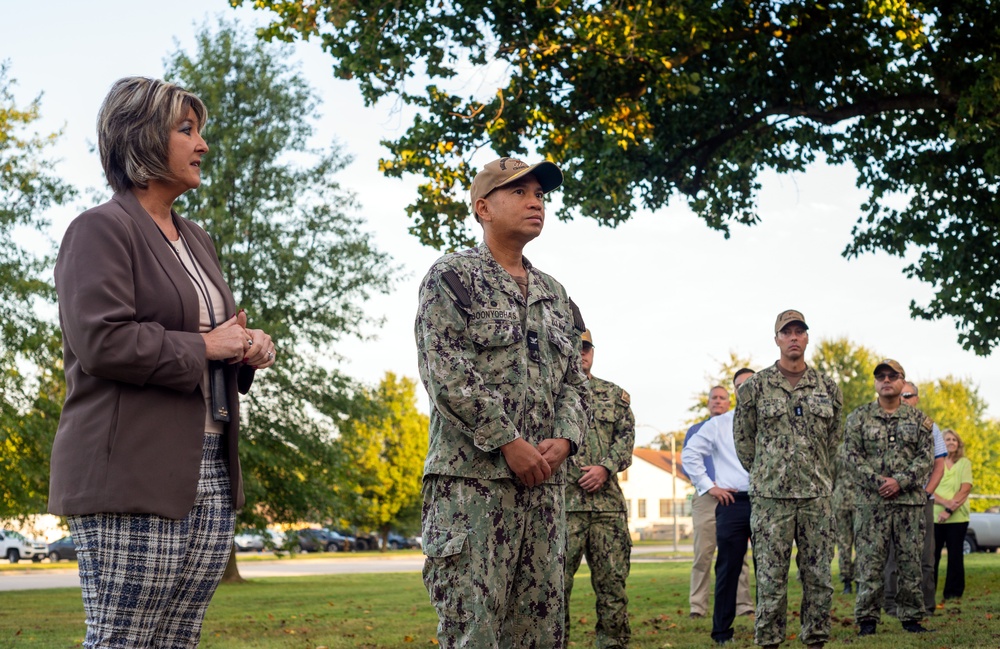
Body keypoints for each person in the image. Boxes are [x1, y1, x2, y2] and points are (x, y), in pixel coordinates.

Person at [49, 76, 276, 647]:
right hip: (131, 467)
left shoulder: (197, 239)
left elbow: (214, 335)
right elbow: (101, 341)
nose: (202, 145)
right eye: (186, 130)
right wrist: (207, 345)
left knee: (178, 638)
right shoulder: (99, 229)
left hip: (210, 463)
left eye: (200, 131)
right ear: (143, 139)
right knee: (124, 637)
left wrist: (247, 346)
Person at [415, 156, 589, 647]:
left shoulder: (556, 295)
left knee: (541, 633)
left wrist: (565, 438)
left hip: (544, 494)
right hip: (473, 487)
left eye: (540, 194)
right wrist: (508, 441)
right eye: (520, 192)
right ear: (482, 208)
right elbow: (446, 372)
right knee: (474, 633)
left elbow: (575, 381)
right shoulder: (452, 278)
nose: (536, 201)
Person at [734, 309, 843, 649]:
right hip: (771, 500)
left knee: (819, 578)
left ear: (807, 338)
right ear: (777, 339)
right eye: (787, 332)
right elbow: (743, 440)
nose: (794, 337)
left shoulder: (828, 387)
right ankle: (769, 642)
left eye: (800, 331)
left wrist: (818, 474)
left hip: (816, 498)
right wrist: (767, 473)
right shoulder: (755, 388)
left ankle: (815, 640)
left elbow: (834, 441)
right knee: (770, 578)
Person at [843, 359, 934, 637]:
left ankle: (911, 617)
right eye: (880, 376)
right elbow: (851, 456)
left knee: (910, 562)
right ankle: (867, 619)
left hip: (909, 504)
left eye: (892, 376)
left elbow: (926, 458)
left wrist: (900, 482)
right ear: (875, 382)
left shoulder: (919, 420)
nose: (886, 380)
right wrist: (880, 482)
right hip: (873, 504)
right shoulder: (858, 418)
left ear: (902, 382)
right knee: (870, 562)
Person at [563, 329, 635, 648]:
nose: (582, 353)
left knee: (613, 589)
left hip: (607, 510)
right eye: (575, 347)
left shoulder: (614, 395)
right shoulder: (550, 394)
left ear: (594, 351)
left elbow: (626, 439)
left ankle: (612, 644)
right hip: (562, 508)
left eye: (587, 348)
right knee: (552, 591)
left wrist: (605, 467)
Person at [682, 368, 757, 646]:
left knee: (770, 566)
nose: (746, 390)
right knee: (728, 565)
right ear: (735, 392)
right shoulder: (719, 424)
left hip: (768, 502)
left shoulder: (774, 422)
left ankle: (769, 624)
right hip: (732, 502)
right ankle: (722, 632)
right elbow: (690, 454)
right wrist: (709, 485)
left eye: (751, 384)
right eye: (740, 386)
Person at [883, 380, 947, 617]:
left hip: (921, 500)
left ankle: (925, 606)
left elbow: (939, 464)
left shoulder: (929, 426)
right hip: (891, 500)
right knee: (891, 556)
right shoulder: (883, 424)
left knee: (925, 556)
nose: (905, 398)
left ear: (916, 398)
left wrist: (926, 493)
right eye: (902, 395)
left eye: (909, 395)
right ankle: (890, 606)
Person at [933, 429, 973, 601]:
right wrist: (945, 503)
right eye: (947, 439)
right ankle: (928, 592)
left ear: (958, 444)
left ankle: (953, 593)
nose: (951, 442)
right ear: (941, 443)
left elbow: (965, 489)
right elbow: (929, 489)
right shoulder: (934, 463)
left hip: (958, 518)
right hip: (934, 516)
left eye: (954, 440)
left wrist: (949, 510)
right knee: (931, 557)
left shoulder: (964, 463)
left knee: (955, 556)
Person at [831, 443, 857, 595]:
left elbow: (832, 476)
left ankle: (849, 580)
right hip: (849, 501)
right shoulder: (863, 446)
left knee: (846, 544)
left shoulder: (839, 449)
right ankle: (849, 580)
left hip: (846, 500)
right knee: (850, 544)